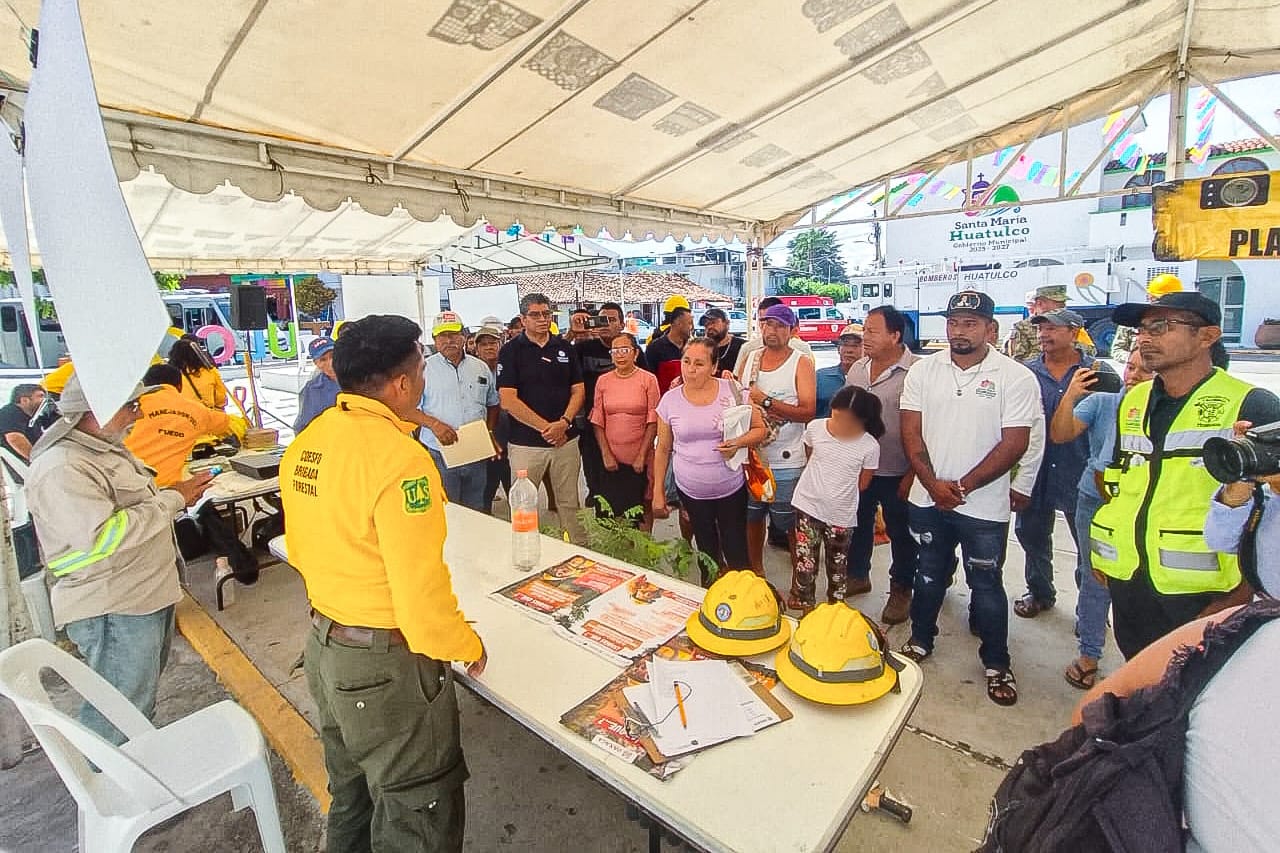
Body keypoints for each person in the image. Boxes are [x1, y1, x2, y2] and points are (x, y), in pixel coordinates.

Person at [280, 315, 485, 851]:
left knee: (351, 797)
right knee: (417, 811)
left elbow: (299, 548)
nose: (421, 381)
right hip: (384, 666)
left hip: (326, 649)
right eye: (419, 370)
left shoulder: (311, 440)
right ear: (401, 384)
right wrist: (464, 643)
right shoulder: (401, 460)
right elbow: (419, 593)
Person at [1091, 292, 1280, 659]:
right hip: (1131, 583)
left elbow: (1271, 514)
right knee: (1143, 688)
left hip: (1207, 595)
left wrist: (1243, 592)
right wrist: (1108, 557)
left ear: (1207, 337)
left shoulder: (1252, 404)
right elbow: (1120, 482)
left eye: (1162, 327)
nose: (1145, 338)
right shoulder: (1132, 400)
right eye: (1143, 329)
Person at [25, 374, 213, 743]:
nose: (138, 415)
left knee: (136, 706)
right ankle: (110, 792)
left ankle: (139, 776)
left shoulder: (101, 448)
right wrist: (174, 498)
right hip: (113, 607)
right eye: (130, 406)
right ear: (97, 409)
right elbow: (103, 535)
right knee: (117, 712)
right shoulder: (62, 467)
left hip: (141, 596)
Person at [898, 291, 1040, 706]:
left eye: (970, 323)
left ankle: (997, 663)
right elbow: (911, 431)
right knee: (928, 575)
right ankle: (921, 641)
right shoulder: (925, 371)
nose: (959, 330)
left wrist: (963, 487)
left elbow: (1016, 442)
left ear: (991, 329)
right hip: (929, 500)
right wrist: (932, 483)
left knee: (987, 585)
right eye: (954, 322)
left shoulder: (1014, 376)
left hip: (982, 507)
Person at [1049, 347, 1154, 689]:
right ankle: (1089, 653)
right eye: (1131, 367)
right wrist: (1071, 397)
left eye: (1144, 370)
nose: (1133, 375)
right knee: (1094, 576)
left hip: (1144, 508)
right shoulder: (1104, 403)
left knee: (1137, 582)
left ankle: (1142, 660)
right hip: (1095, 501)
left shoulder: (1164, 410)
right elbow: (1061, 434)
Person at [1013, 309, 1118, 618]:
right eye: (1041, 328)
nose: (1044, 334)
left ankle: (1088, 613)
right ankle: (1040, 592)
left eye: (1053, 328)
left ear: (1074, 332)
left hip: (1081, 469)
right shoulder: (1026, 372)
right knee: (1032, 535)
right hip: (1037, 468)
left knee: (1087, 546)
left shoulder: (1098, 372)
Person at [653, 338, 766, 585]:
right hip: (691, 492)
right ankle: (712, 595)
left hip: (731, 488)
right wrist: (658, 491)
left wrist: (738, 443)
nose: (690, 369)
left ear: (714, 367)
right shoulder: (670, 401)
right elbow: (662, 449)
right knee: (707, 551)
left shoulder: (733, 392)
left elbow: (760, 429)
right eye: (686, 361)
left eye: (699, 363)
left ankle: (743, 600)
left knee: (736, 550)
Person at [845, 306, 920, 620]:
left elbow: (927, 428)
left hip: (898, 468)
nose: (865, 337)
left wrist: (914, 473)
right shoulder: (858, 370)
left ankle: (901, 588)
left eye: (872, 331)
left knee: (902, 532)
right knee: (857, 523)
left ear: (895, 335)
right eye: (865, 330)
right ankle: (858, 575)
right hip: (860, 468)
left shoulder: (918, 371)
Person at [497, 292, 587, 543]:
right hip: (526, 445)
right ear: (523, 319)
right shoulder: (510, 351)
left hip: (565, 442)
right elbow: (508, 400)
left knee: (570, 503)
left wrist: (564, 422)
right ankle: (525, 555)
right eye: (535, 315)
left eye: (546, 314)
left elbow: (578, 389)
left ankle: (577, 551)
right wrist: (548, 428)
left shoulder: (565, 348)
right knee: (524, 506)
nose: (542, 319)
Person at [787, 385, 883, 613]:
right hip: (807, 506)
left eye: (848, 422)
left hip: (841, 515)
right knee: (805, 562)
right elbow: (810, 455)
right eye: (836, 418)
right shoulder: (815, 428)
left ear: (862, 421)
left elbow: (863, 483)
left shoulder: (869, 446)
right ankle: (806, 606)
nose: (840, 426)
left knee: (838, 565)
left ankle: (835, 610)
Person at [740, 304, 817, 574]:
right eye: (766, 324)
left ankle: (801, 582)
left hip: (787, 460)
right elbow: (740, 399)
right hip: (753, 458)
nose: (770, 331)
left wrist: (768, 402)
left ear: (792, 331)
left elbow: (808, 411)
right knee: (752, 517)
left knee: (792, 524)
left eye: (778, 326)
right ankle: (756, 572)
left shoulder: (801, 362)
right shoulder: (751, 359)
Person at [418, 311, 500, 513]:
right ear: (435, 340)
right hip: (440, 451)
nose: (449, 340)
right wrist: (435, 425)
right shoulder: (422, 369)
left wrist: (489, 433)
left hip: (475, 451)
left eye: (454, 334)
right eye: (442, 336)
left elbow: (493, 404)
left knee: (476, 508)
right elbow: (409, 410)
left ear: (464, 336)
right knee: (447, 509)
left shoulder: (480, 367)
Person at [125, 364, 238, 487]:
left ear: (145, 384)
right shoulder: (195, 409)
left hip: (123, 486)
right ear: (180, 386)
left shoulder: (127, 408)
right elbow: (226, 423)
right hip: (165, 490)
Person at [590, 332, 659, 524]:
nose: (619, 355)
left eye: (625, 350)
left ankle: (643, 551)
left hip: (640, 456)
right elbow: (597, 419)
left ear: (635, 353)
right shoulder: (603, 381)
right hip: (611, 457)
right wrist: (605, 453)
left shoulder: (648, 379)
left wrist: (641, 456)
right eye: (615, 351)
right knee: (610, 511)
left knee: (641, 508)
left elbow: (653, 420)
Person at [574, 302, 623, 508]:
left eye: (611, 320)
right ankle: (595, 492)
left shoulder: (630, 348)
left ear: (621, 324)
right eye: (602, 319)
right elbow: (560, 360)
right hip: (590, 419)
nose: (606, 324)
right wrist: (572, 334)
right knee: (592, 461)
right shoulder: (583, 348)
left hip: (621, 421)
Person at [475, 319, 511, 514]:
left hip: (510, 433)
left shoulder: (510, 366)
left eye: (493, 342)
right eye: (484, 343)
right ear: (476, 347)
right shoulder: (471, 370)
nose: (489, 347)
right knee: (486, 487)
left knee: (513, 483)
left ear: (500, 343)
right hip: (484, 434)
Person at [1004, 285, 1097, 361]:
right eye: (1058, 303)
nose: (1063, 307)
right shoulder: (1022, 327)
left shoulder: (1070, 323)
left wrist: (1065, 348)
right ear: (1040, 303)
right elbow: (1017, 361)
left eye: (1063, 303)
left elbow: (1091, 351)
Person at [733, 296, 815, 378]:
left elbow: (809, 382)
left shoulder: (801, 349)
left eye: (777, 324)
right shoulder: (748, 349)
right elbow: (737, 381)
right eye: (763, 322)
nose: (769, 328)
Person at [1111, 273, 1183, 362]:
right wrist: (1136, 358)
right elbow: (1117, 349)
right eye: (1157, 299)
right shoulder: (1133, 320)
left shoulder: (1184, 324)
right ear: (1149, 297)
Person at [169, 335, 229, 411]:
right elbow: (221, 400)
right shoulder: (210, 372)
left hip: (180, 417)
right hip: (206, 416)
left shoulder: (168, 377)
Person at [294, 336, 340, 434]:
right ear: (316, 363)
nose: (330, 362)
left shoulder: (360, 380)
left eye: (333, 356)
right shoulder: (311, 389)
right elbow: (303, 425)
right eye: (323, 359)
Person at [816, 324, 862, 418]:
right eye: (845, 344)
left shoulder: (873, 380)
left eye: (855, 345)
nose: (849, 350)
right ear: (838, 349)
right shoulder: (820, 377)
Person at [645, 305, 694, 393]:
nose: (692, 328)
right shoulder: (655, 348)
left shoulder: (692, 347)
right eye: (690, 323)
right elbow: (649, 379)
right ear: (678, 323)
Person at [0, 383, 46, 460]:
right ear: (24, 400)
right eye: (40, 396)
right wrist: (37, 460)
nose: (44, 400)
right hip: (18, 464)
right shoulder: (10, 412)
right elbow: (15, 439)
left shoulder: (34, 416)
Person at [700, 307, 744, 376]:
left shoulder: (742, 347)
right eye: (706, 324)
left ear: (727, 323)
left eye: (713, 322)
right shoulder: (702, 348)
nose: (709, 327)